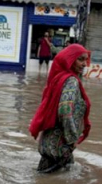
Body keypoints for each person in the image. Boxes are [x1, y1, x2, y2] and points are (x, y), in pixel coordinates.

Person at [29, 44, 92, 173]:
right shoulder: (71, 81)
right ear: (69, 60)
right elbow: (64, 111)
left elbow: (48, 109)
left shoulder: (58, 79)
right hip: (60, 147)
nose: (85, 64)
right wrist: (72, 139)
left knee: (43, 182)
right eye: (80, 59)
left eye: (85, 59)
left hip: (48, 143)